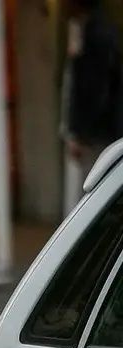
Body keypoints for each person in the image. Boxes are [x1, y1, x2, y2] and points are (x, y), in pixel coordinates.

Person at [61, 0, 122, 216]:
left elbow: (91, 88)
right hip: (104, 129)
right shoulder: (102, 31)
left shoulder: (92, 35)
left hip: (96, 132)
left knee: (92, 188)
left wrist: (79, 132)